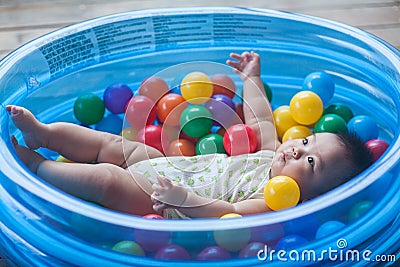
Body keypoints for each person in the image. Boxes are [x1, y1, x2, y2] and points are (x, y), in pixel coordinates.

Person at [8, 51, 373, 219]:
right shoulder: (272, 150)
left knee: (107, 181)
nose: (296, 149)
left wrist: (181, 198)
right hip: (171, 164)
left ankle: (39, 169)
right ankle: (44, 134)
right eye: (306, 141)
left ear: (313, 198)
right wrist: (251, 78)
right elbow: (261, 117)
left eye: (311, 162)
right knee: (111, 144)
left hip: (166, 200)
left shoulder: (275, 203)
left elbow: (228, 212)